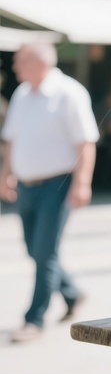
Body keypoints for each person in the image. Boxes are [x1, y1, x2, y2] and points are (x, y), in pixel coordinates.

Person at [0, 43, 98, 342]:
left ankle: (34, 319)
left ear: (39, 63)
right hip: (26, 185)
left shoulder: (69, 92)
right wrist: (5, 173)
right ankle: (71, 292)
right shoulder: (22, 94)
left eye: (20, 61)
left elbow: (86, 142)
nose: (14, 67)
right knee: (35, 249)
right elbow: (11, 139)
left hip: (57, 185)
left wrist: (83, 182)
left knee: (45, 253)